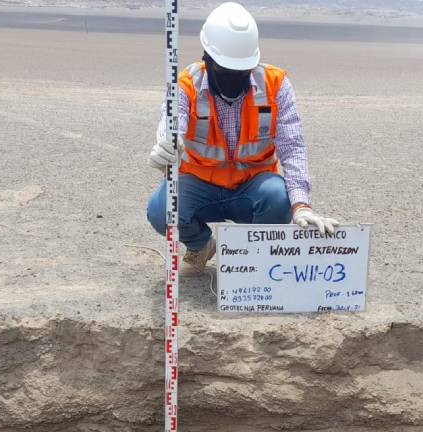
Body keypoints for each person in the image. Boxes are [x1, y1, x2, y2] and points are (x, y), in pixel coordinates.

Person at [146, 2, 341, 274]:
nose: (234, 78)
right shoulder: (187, 84)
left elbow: (292, 146)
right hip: (199, 183)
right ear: (207, 58)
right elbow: (171, 119)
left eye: (242, 70)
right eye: (226, 70)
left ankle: (253, 260)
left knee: (279, 199)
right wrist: (166, 142)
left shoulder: (275, 84)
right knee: (161, 209)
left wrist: (301, 206)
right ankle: (200, 245)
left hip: (254, 187)